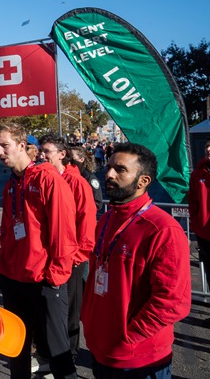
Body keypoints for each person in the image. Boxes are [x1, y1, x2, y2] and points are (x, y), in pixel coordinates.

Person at [82, 143, 191, 379]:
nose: (109, 174)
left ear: (143, 181)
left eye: (120, 170)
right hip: (101, 348)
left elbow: (172, 302)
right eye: (109, 166)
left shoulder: (162, 229)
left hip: (138, 359)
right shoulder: (108, 218)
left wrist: (129, 335)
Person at [0, 123, 78, 379]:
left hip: (43, 281)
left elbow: (63, 232)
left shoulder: (47, 178)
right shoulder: (11, 185)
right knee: (16, 351)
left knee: (57, 352)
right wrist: (4, 270)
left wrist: (55, 276)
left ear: (22, 146)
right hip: (14, 280)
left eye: (4, 145)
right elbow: (7, 232)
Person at [39, 134, 97, 361]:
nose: (42, 155)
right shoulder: (43, 178)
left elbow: (87, 222)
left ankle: (69, 355)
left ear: (62, 155)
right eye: (41, 151)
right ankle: (49, 354)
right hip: (48, 257)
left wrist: (76, 257)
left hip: (71, 258)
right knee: (51, 310)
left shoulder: (78, 182)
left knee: (71, 310)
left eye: (47, 151)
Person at [189, 138, 210, 302]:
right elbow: (193, 202)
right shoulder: (197, 174)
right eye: (206, 146)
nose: (208, 149)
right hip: (204, 234)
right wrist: (196, 225)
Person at [70, 145, 103, 211]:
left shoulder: (89, 177)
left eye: (71, 157)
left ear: (81, 159)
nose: (69, 159)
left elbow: (98, 202)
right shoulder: (69, 175)